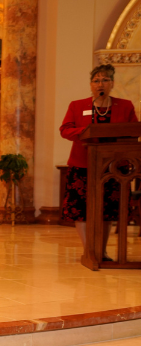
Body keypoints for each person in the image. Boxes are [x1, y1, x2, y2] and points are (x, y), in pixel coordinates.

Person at [60, 64, 138, 261]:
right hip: (83, 165)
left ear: (111, 83)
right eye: (96, 81)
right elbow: (65, 130)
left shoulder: (125, 105)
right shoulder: (77, 106)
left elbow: (133, 131)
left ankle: (101, 251)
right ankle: (89, 250)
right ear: (90, 84)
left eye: (104, 80)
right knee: (81, 210)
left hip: (114, 167)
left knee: (108, 211)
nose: (100, 84)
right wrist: (87, 132)